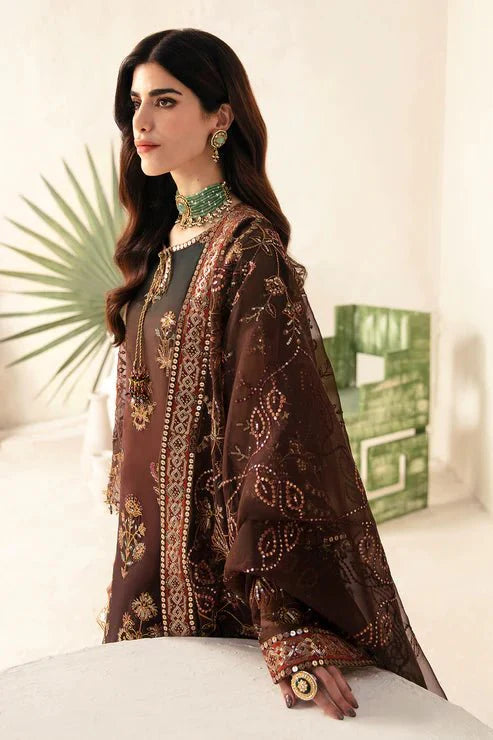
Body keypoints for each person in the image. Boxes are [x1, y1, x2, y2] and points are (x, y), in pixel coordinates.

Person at [101, 28, 448, 719]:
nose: (141, 122)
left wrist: (286, 623)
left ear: (220, 116)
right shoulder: (159, 245)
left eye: (166, 101)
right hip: (146, 567)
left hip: (220, 581)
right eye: (135, 103)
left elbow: (277, 442)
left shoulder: (248, 252)